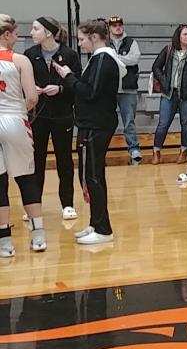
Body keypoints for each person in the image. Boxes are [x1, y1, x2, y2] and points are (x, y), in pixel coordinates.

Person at [53, 19, 124, 245]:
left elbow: (90, 92)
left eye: (83, 39)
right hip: (92, 123)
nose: (80, 44)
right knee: (92, 176)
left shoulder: (103, 58)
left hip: (97, 124)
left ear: (94, 37)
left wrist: (68, 76)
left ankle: (103, 229)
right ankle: (96, 222)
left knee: (93, 176)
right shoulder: (98, 58)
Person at [25, 16, 82, 220]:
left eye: (35, 28)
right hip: (38, 115)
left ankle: (67, 204)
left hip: (62, 114)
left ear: (48, 32)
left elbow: (77, 85)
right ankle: (34, 205)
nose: (31, 32)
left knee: (64, 160)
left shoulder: (69, 54)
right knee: (36, 160)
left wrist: (59, 88)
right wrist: (33, 91)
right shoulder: (29, 55)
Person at [0, 15, 46, 257]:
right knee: (27, 178)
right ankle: (38, 236)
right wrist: (20, 110)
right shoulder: (20, 60)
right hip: (14, 119)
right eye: (15, 33)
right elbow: (32, 97)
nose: (18, 38)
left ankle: (4, 243)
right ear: (6, 35)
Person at [150, 24, 187, 166]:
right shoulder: (169, 50)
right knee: (163, 124)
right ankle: (156, 152)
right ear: (178, 36)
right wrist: (164, 80)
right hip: (169, 94)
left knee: (186, 125)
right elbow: (156, 67)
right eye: (185, 34)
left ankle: (183, 151)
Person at [106, 15, 142, 165]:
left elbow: (135, 59)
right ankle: (103, 148)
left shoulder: (131, 42)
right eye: (114, 25)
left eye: (120, 25)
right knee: (106, 121)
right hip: (109, 89)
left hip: (128, 89)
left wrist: (115, 57)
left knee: (129, 121)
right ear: (109, 27)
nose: (118, 27)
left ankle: (134, 149)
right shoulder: (105, 42)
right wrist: (122, 58)